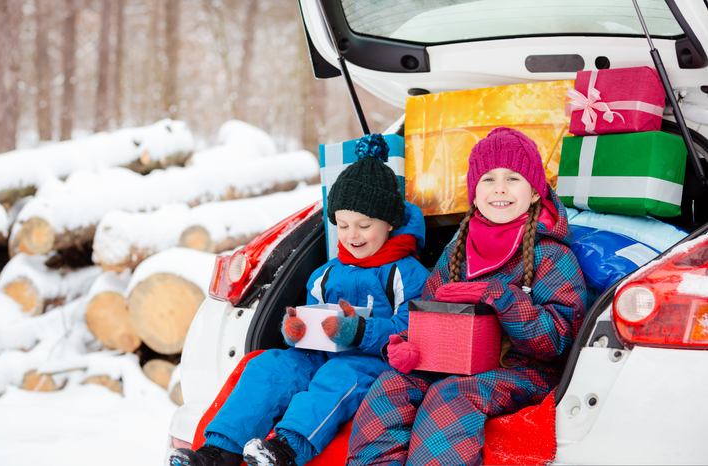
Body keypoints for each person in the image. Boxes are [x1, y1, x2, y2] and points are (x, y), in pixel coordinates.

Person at [169, 133, 430, 466]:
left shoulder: (407, 273)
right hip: (319, 355)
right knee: (269, 366)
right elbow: (308, 320)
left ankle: (286, 449)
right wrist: (295, 330)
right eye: (344, 225)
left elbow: (411, 329)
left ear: (389, 224)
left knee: (337, 378)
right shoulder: (326, 273)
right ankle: (219, 451)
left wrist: (359, 331)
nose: (352, 235)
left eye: (364, 225)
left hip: (373, 361)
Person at [346, 127, 587, 466]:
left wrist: (503, 298)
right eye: (488, 179)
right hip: (454, 360)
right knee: (391, 386)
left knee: (452, 397)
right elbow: (429, 313)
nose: (499, 188)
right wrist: (406, 342)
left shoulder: (550, 254)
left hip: (525, 370)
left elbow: (559, 342)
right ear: (474, 194)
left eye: (513, 178)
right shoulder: (459, 248)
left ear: (535, 193)